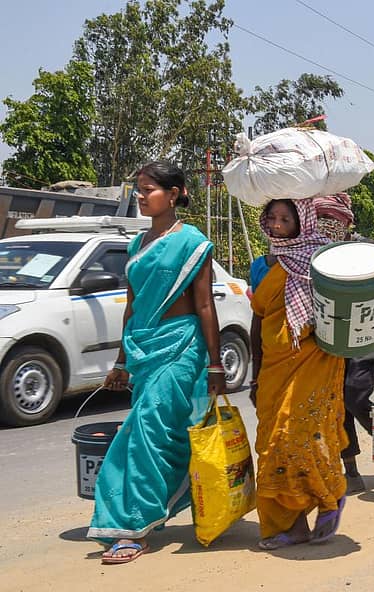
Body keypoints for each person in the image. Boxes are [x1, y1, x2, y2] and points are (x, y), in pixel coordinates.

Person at [88, 161, 225, 564]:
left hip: (181, 348)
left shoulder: (193, 241)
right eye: (138, 189)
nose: (141, 196)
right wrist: (121, 361)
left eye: (149, 189)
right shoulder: (136, 245)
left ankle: (133, 526)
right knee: (165, 436)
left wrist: (216, 364)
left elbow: (204, 304)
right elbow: (132, 307)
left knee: (145, 432)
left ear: (176, 192)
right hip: (144, 349)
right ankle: (181, 505)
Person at [249, 198, 350, 550]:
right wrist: (255, 372)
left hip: (314, 362)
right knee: (271, 445)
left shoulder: (325, 260)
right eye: (271, 218)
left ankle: (331, 496)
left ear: (301, 221)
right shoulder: (261, 266)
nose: (276, 225)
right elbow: (258, 318)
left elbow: (354, 294)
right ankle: (290, 526)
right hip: (274, 367)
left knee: (305, 438)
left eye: (285, 218)